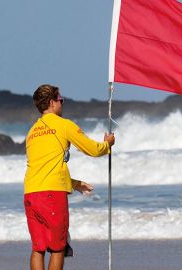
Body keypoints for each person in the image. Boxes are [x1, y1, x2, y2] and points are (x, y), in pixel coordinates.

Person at [24, 84, 115, 270]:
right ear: (51, 102)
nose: (62, 104)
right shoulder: (64, 125)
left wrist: (74, 184)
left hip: (31, 194)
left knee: (38, 248)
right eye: (60, 100)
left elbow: (44, 168)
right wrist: (107, 145)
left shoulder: (31, 132)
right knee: (58, 247)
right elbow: (92, 149)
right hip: (51, 196)